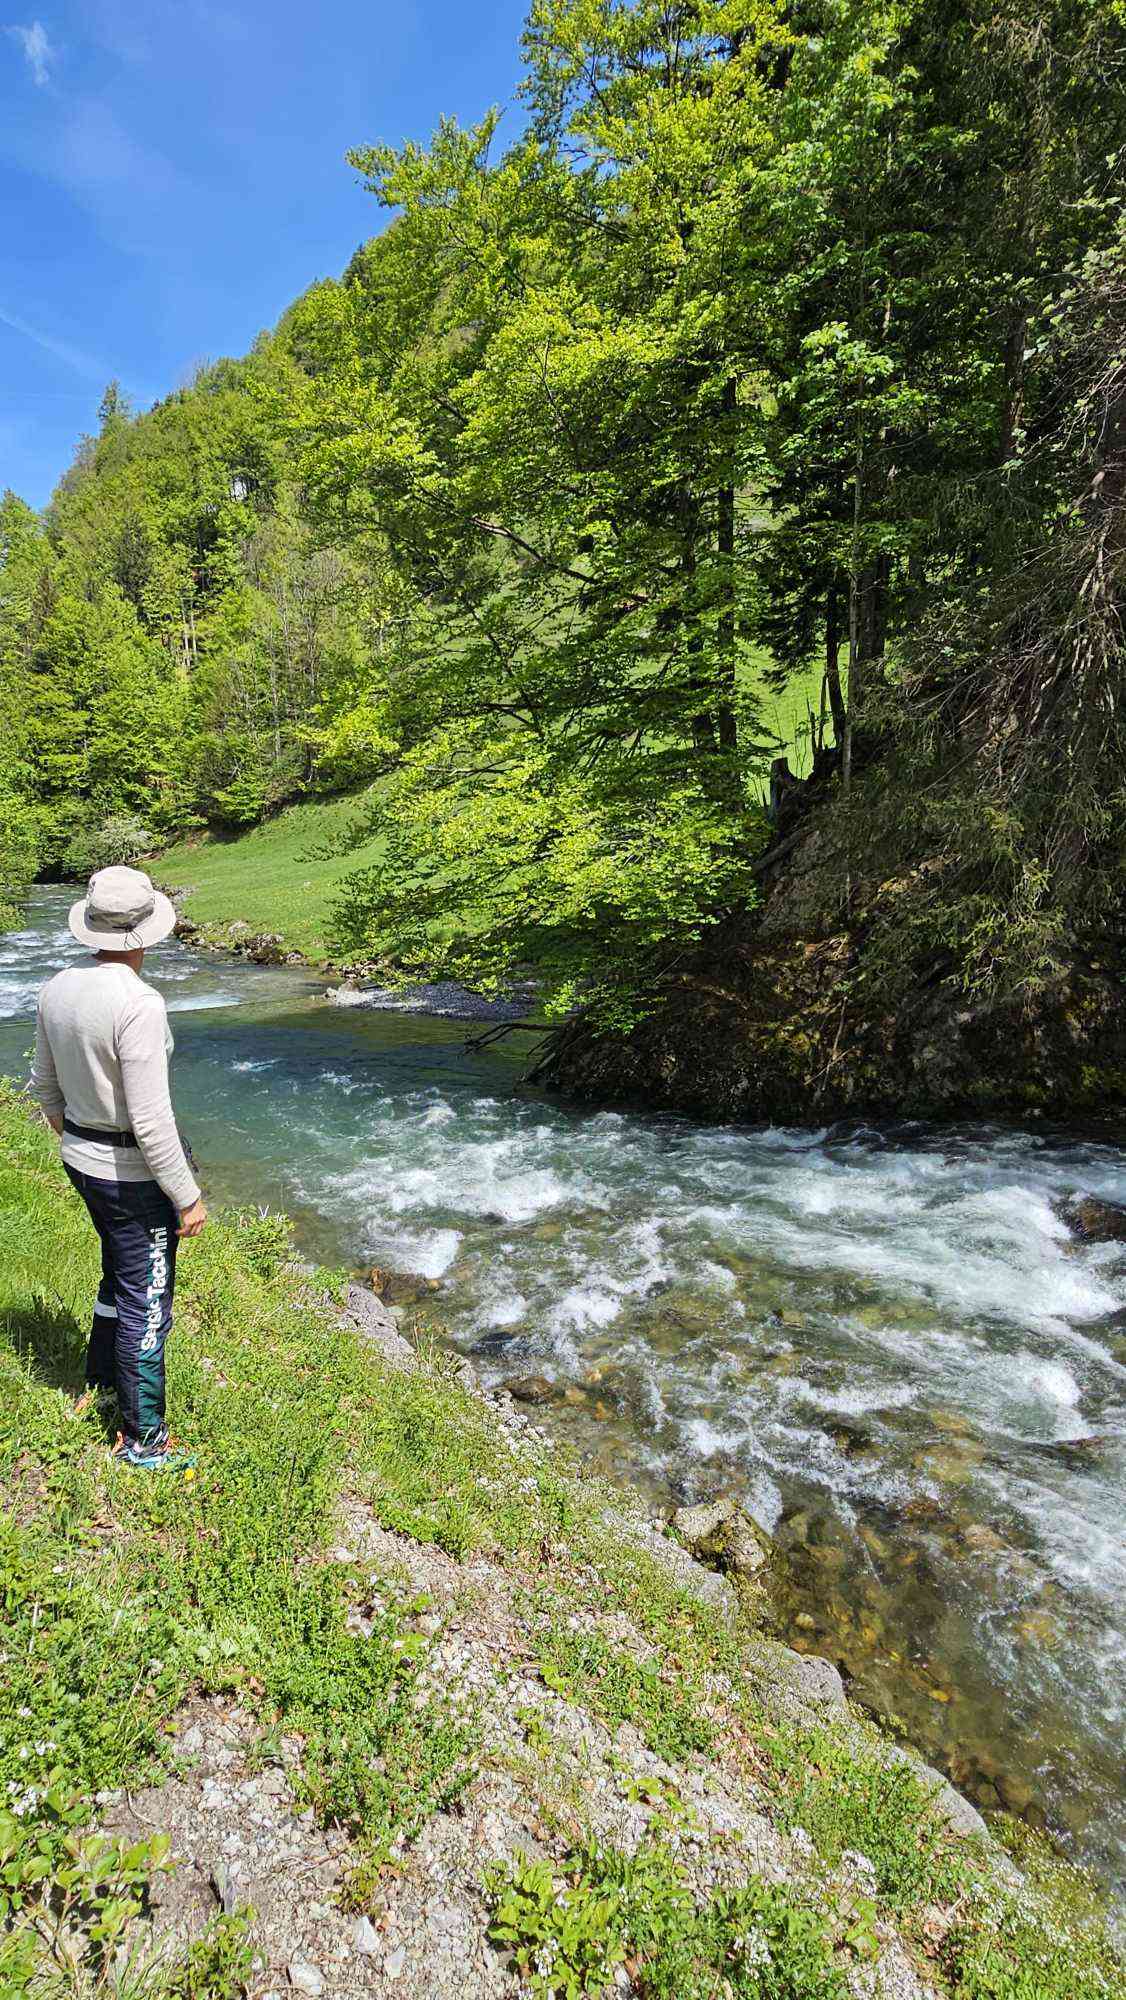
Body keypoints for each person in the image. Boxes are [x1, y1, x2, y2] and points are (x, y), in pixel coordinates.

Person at [31, 865, 207, 1471]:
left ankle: (101, 1381)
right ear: (147, 934)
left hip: (81, 1160)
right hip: (131, 1174)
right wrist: (186, 1197)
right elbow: (153, 1120)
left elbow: (45, 1088)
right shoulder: (140, 1004)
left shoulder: (57, 987)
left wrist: (79, 1141)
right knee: (148, 1298)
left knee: (119, 1273)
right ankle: (144, 1442)